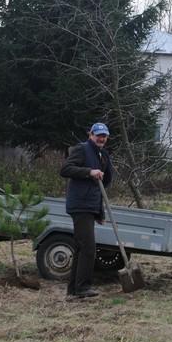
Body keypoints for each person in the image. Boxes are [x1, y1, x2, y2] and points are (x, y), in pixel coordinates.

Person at [59, 122, 114, 299]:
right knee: (89, 248)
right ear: (91, 135)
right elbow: (65, 169)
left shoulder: (103, 154)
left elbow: (103, 184)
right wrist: (89, 172)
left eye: (104, 136)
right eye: (98, 135)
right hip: (80, 205)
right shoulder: (82, 149)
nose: (101, 138)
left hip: (90, 206)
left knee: (81, 248)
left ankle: (73, 290)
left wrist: (99, 212)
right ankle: (83, 287)